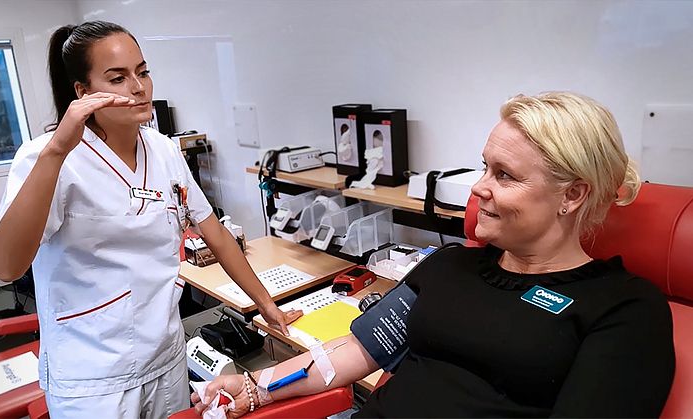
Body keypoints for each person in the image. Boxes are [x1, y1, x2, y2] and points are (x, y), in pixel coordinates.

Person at [193, 92, 675, 418]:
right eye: (485, 167)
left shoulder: (624, 309)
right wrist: (258, 385)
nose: (479, 188)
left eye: (504, 175)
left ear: (572, 195)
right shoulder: (450, 265)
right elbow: (361, 349)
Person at [0, 21, 301, 418]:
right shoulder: (44, 158)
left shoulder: (164, 151)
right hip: (92, 378)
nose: (138, 87)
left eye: (143, 72)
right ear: (83, 93)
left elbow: (216, 235)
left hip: (165, 359)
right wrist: (56, 151)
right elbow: (5, 266)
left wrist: (266, 305)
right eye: (118, 78)